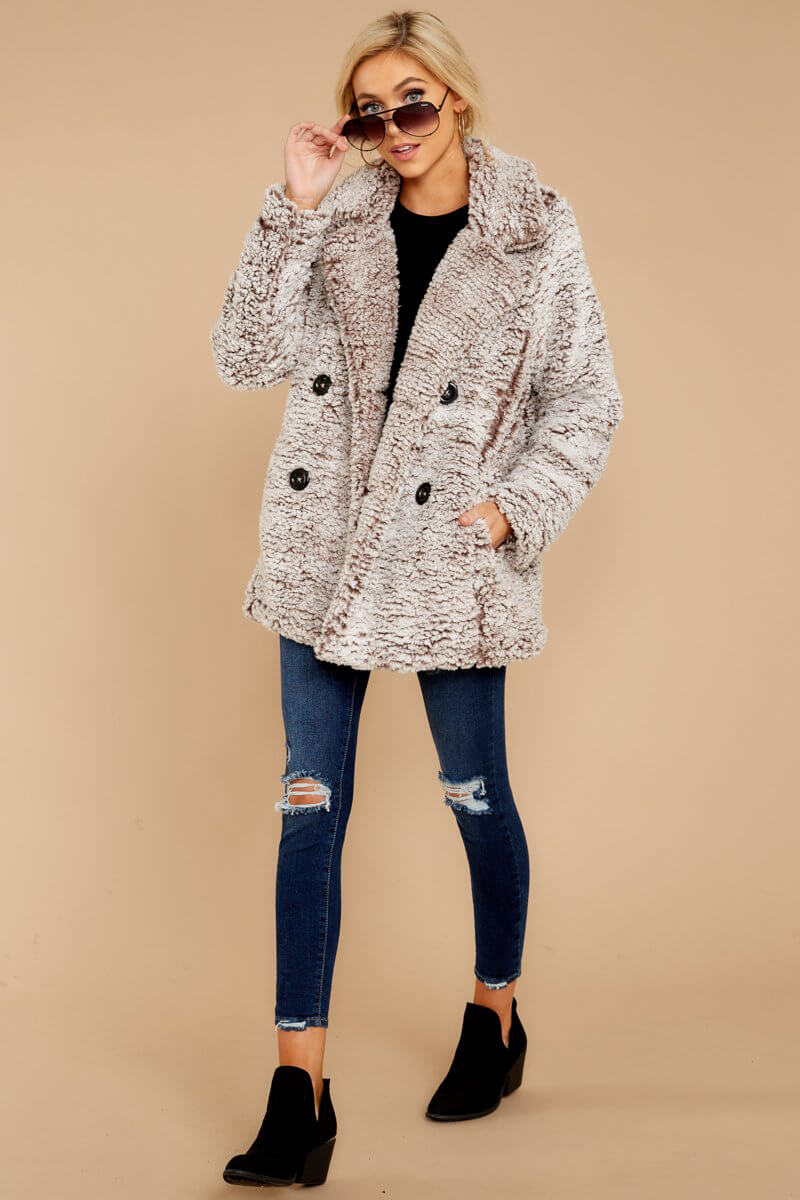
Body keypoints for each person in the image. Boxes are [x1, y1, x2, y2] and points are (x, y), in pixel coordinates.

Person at [210, 10, 623, 1188]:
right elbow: (243, 357)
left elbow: (585, 402)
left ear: (456, 100)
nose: (391, 129)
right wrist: (291, 207)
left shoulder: (533, 231)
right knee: (307, 808)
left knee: (473, 796)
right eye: (367, 113)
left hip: (447, 560)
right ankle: (298, 1092)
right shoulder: (335, 220)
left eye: (411, 103)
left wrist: (510, 510)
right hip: (323, 552)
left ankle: (494, 1014)